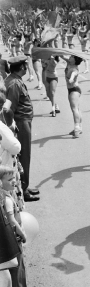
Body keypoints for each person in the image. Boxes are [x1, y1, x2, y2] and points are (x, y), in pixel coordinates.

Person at [3, 57, 39, 202]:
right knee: (24, 155)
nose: (27, 67)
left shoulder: (15, 80)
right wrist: (13, 125)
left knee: (24, 155)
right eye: (25, 65)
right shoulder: (14, 84)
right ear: (22, 68)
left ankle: (24, 185)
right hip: (20, 122)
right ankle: (23, 189)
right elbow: (9, 109)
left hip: (24, 121)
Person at [64, 55, 83, 138]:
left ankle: (76, 129)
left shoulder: (74, 69)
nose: (70, 57)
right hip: (71, 90)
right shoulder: (69, 63)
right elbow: (62, 56)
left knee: (74, 109)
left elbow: (73, 74)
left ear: (75, 60)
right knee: (76, 109)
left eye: (72, 57)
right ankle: (80, 128)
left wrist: (71, 79)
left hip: (74, 89)